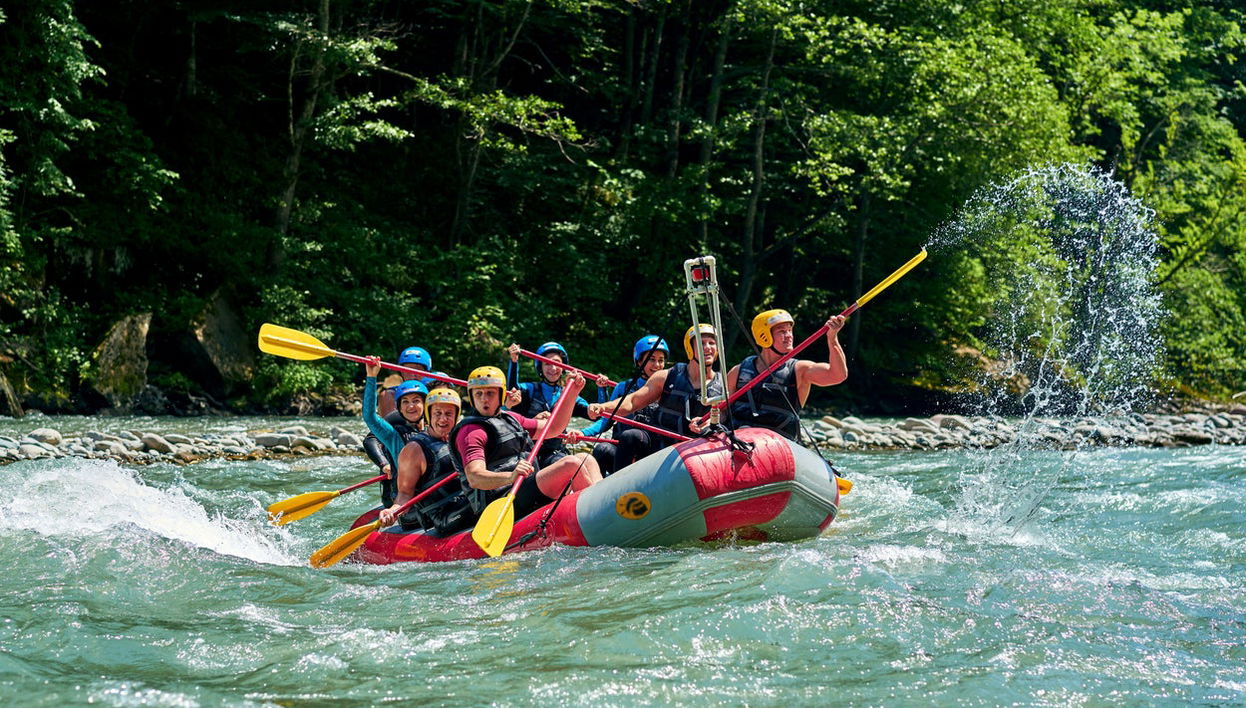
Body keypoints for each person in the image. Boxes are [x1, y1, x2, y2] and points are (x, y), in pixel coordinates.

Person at [451, 365, 603, 522]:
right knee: (571, 464)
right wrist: (510, 477)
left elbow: (554, 428)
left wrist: (571, 393)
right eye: (478, 393)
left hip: (525, 485)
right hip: (501, 497)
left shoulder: (511, 418)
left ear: (501, 394)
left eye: (490, 393)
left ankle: (604, 506)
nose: (484, 398)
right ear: (472, 396)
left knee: (586, 458)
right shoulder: (470, 432)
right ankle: (598, 518)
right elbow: (475, 478)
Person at [586, 324, 724, 470]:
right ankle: (619, 488)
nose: (708, 348)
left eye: (711, 343)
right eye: (701, 343)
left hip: (691, 448)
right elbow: (633, 401)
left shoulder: (723, 385)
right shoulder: (666, 376)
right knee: (629, 436)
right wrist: (603, 407)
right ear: (690, 348)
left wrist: (708, 423)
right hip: (657, 443)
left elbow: (724, 417)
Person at [726, 309, 847, 440]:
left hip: (779, 444)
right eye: (782, 331)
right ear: (764, 336)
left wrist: (832, 338)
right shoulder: (738, 371)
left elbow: (837, 375)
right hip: (740, 439)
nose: (789, 335)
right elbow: (721, 410)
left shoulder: (800, 370)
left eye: (790, 330)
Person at [566, 335, 669, 475]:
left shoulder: (669, 390)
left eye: (661, 360)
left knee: (631, 435)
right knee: (603, 449)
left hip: (652, 451)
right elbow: (605, 421)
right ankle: (604, 490)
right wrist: (582, 433)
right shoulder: (623, 388)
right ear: (639, 362)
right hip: (623, 452)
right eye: (651, 359)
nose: (657, 365)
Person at [377, 387, 474, 535]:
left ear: (456, 416)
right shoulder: (414, 450)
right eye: (437, 413)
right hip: (443, 515)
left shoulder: (461, 437)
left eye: (449, 414)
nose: (443, 419)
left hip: (465, 500)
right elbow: (404, 494)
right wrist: (393, 511)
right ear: (429, 415)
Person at [504, 341, 608, 468]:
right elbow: (513, 390)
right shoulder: (530, 389)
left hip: (556, 453)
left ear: (563, 367)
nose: (553, 368)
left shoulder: (570, 395)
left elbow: (600, 417)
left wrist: (602, 389)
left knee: (576, 462)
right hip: (528, 453)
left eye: (557, 364)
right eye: (547, 364)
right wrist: (514, 362)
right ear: (540, 367)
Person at [362, 359, 428, 507]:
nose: (411, 406)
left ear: (425, 405)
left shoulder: (435, 429)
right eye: (405, 402)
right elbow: (369, 417)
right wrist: (371, 376)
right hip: (410, 503)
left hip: (432, 496)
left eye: (416, 400)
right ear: (399, 407)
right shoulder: (394, 436)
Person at [377, 346, 432, 417]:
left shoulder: (433, 393)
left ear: (426, 372)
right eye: (408, 371)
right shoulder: (390, 395)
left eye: (418, 370)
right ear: (402, 372)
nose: (413, 375)